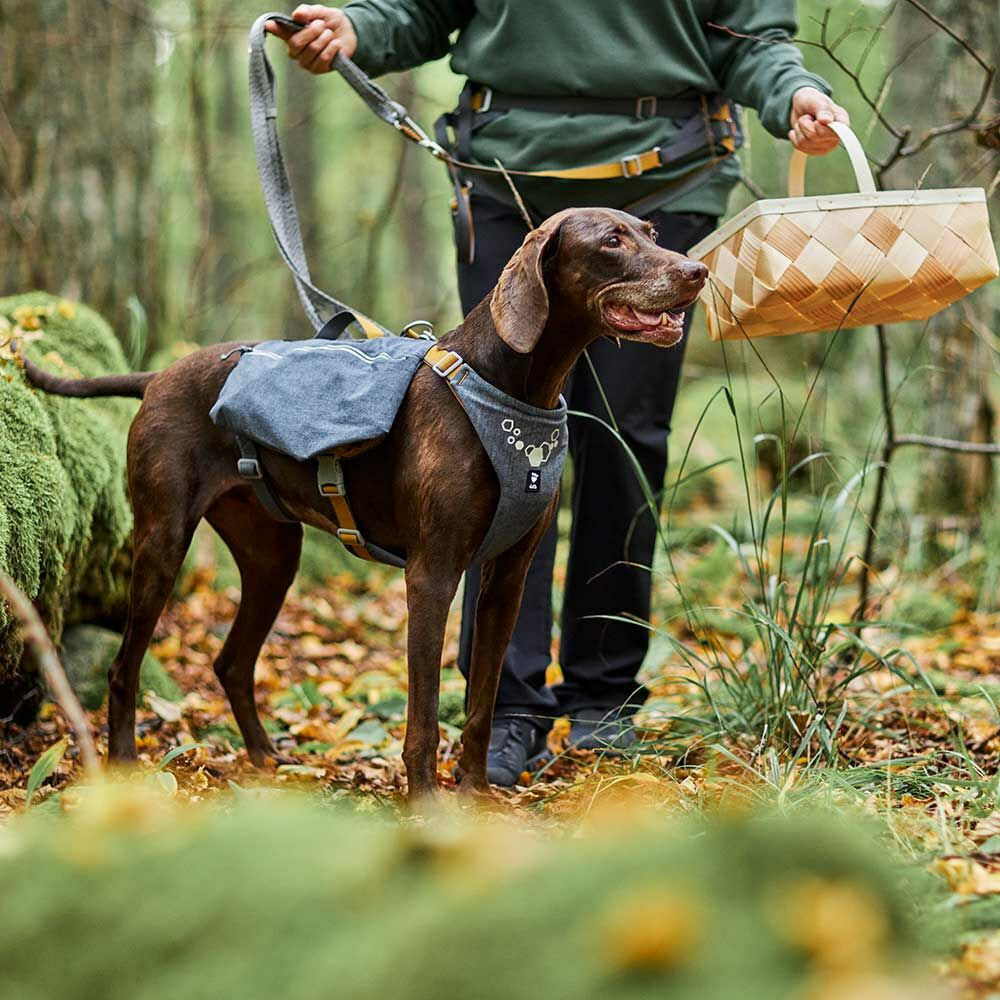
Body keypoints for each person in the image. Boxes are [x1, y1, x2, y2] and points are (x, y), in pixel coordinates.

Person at [269, 2, 849, 785]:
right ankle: (505, 709)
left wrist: (792, 95)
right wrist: (357, 31)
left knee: (624, 444)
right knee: (488, 454)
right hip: (506, 180)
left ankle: (606, 699)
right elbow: (424, 11)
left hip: (663, 175)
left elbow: (750, 38)